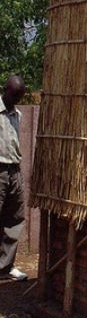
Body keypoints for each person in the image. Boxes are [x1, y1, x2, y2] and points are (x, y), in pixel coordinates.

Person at [0, 75, 27, 281]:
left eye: (20, 96)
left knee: (15, 218)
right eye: (14, 94)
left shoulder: (17, 114)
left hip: (15, 170)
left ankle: (5, 267)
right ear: (5, 90)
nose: (17, 99)